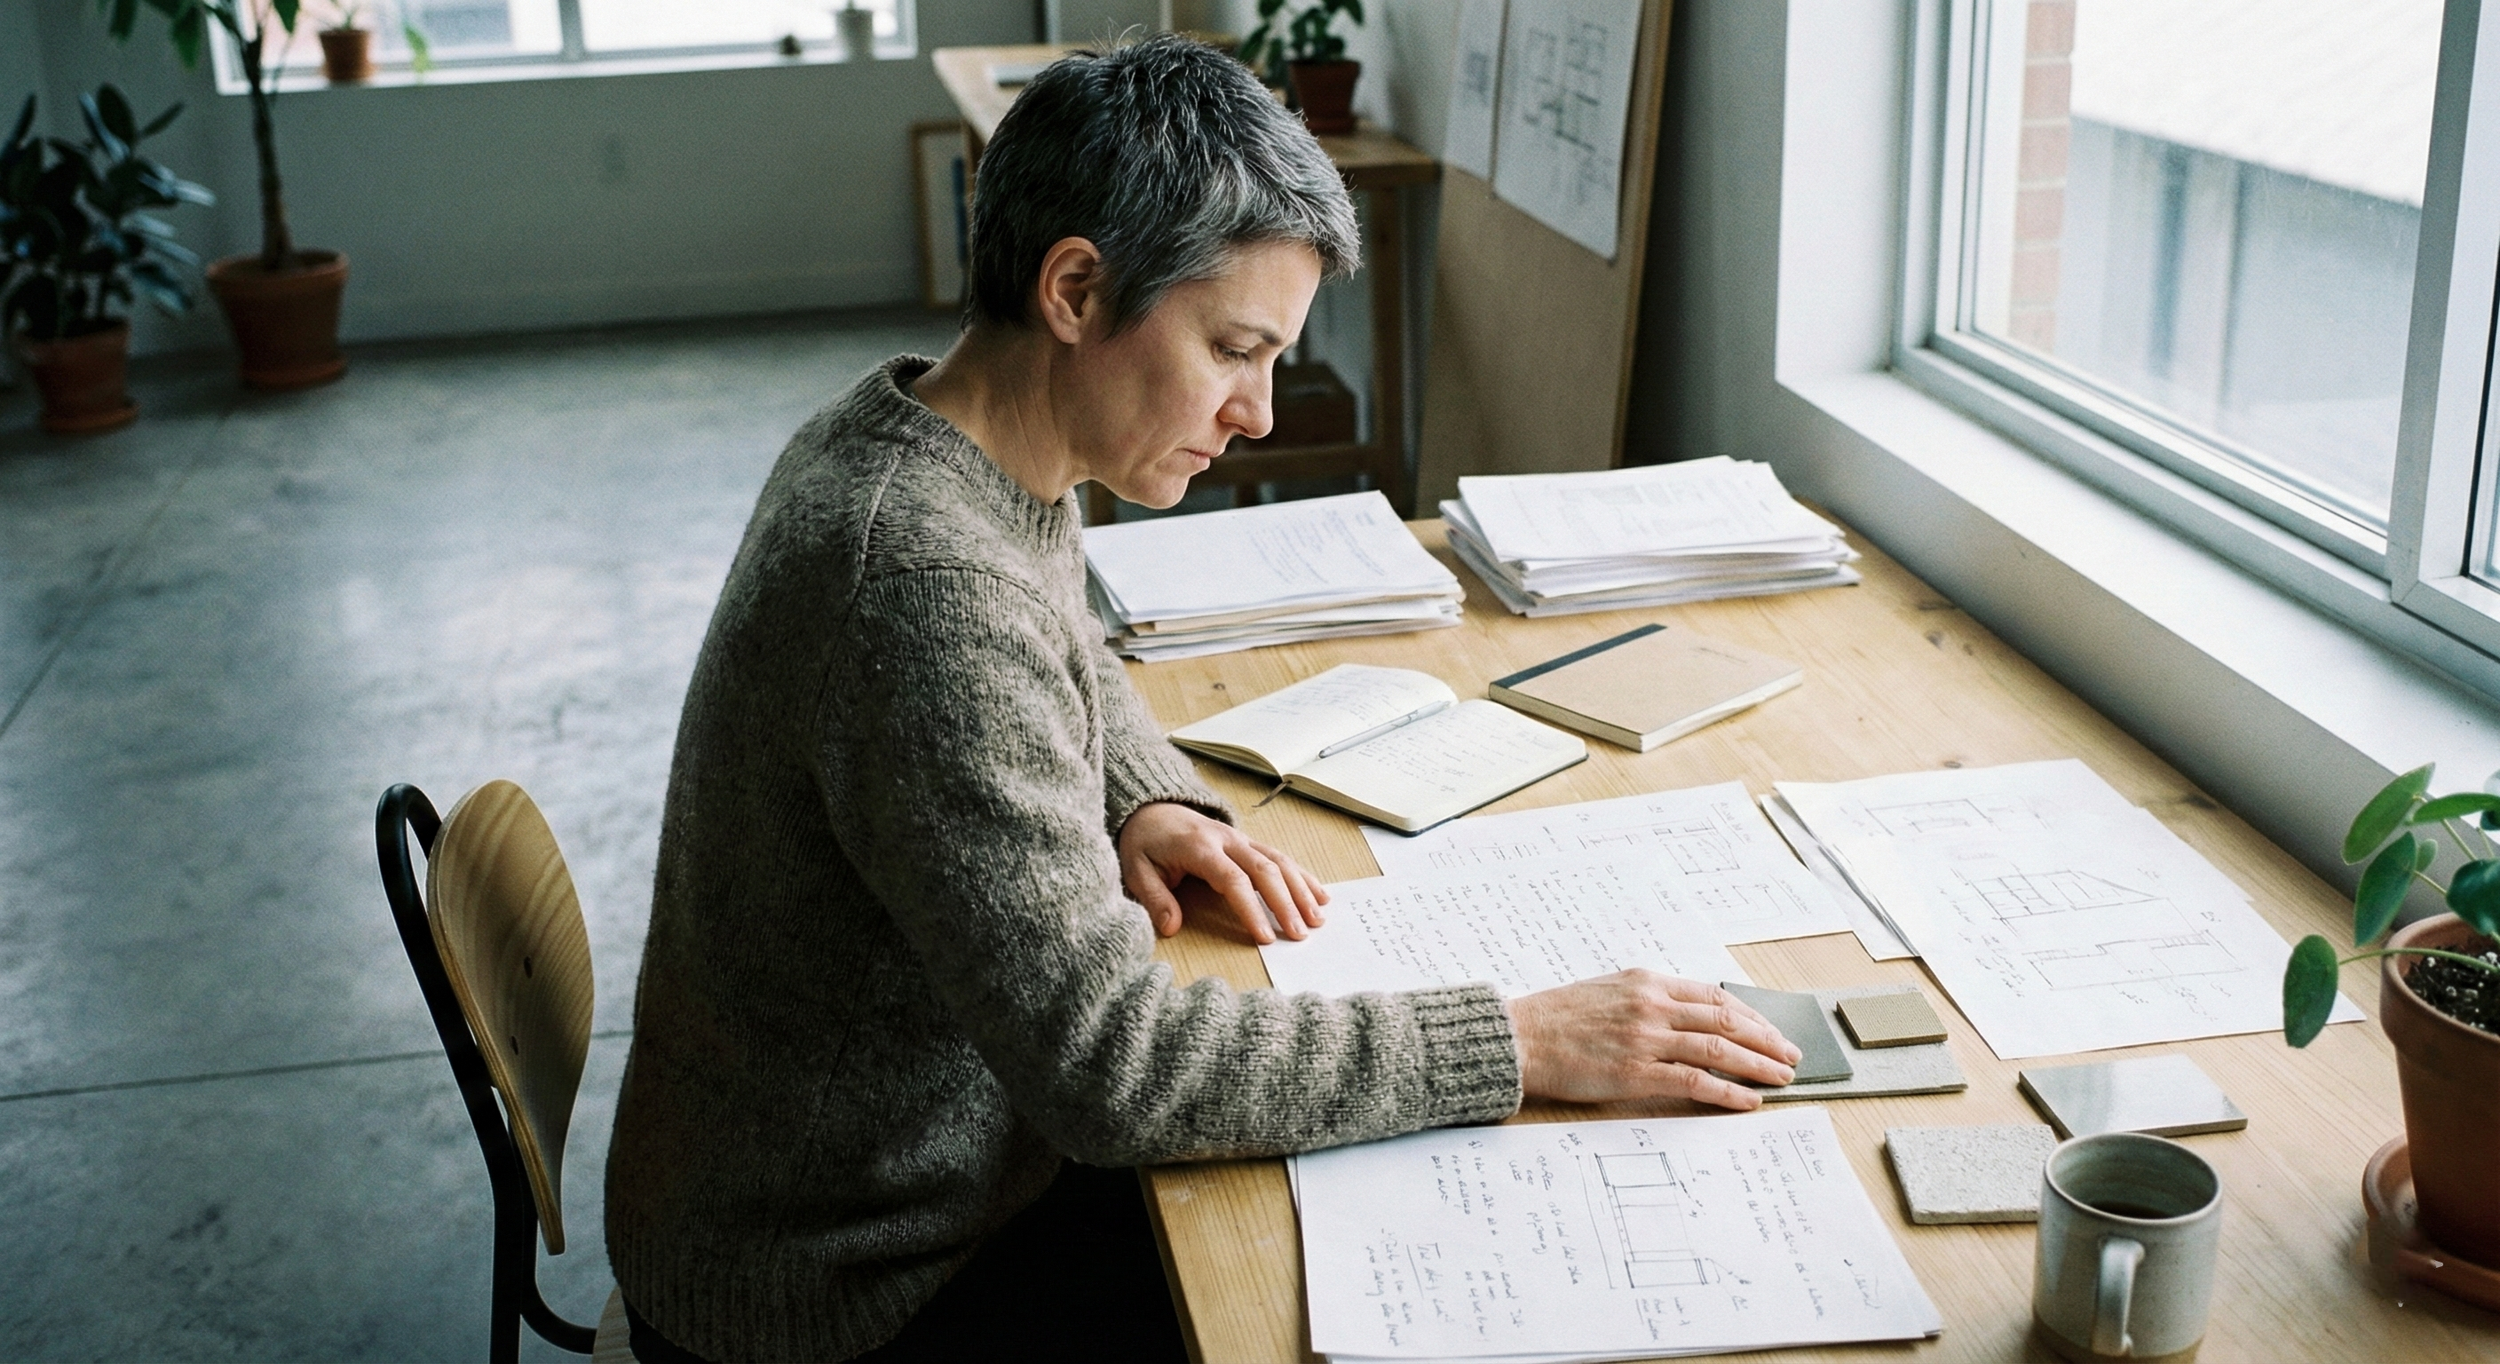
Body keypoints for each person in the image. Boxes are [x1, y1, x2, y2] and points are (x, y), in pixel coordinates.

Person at [603, 35, 1803, 1364]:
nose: (1260, 414)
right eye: (1235, 347)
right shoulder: (919, 581)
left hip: (897, 1187)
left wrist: (1142, 796)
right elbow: (1115, 1072)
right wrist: (1514, 1040)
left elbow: (1050, 640)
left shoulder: (945, 438)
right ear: (1076, 287)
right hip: (847, 1289)